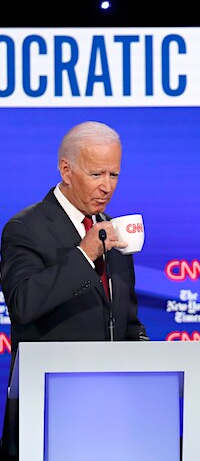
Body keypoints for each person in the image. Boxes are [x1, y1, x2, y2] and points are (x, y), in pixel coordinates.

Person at [0, 121, 149, 460]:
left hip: (114, 416)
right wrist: (84, 255)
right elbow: (24, 303)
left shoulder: (111, 230)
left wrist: (148, 356)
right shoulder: (25, 228)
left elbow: (125, 321)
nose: (107, 187)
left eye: (114, 175)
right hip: (49, 412)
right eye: (97, 174)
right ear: (66, 170)